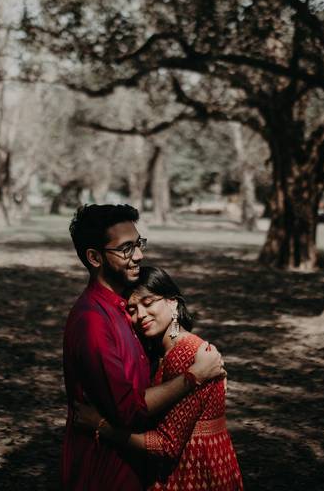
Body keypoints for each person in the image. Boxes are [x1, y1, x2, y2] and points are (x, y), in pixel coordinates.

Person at [63, 204, 226, 491]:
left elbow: (170, 326)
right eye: (126, 248)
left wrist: (184, 337)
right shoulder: (94, 322)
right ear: (94, 257)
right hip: (105, 473)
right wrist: (193, 376)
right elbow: (129, 411)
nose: (139, 255)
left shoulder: (123, 309)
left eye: (138, 244)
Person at [73, 266, 243, 490]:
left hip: (194, 473)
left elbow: (166, 445)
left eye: (148, 302)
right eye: (132, 309)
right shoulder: (165, 350)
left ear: (172, 302)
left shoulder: (186, 353)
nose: (140, 315)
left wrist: (101, 426)